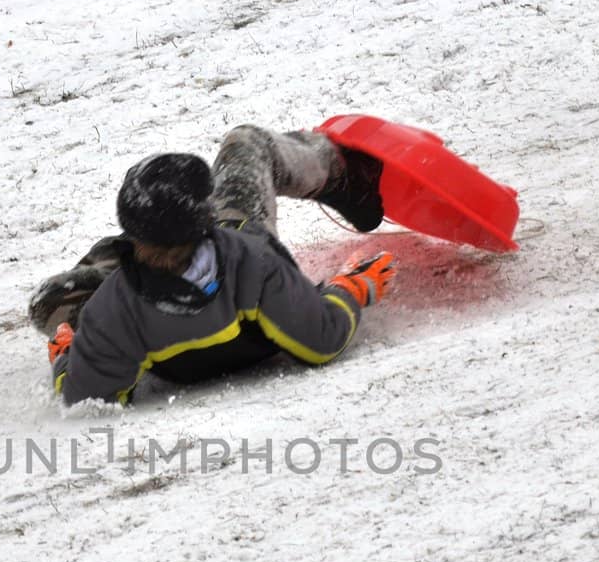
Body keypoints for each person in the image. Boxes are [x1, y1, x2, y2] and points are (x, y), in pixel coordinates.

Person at [29, 125, 397, 406]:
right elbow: (323, 339)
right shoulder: (252, 263)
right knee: (247, 142)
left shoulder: (112, 310)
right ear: (203, 216)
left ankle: (137, 258)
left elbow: (83, 397)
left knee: (51, 301)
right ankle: (343, 174)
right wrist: (350, 289)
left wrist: (68, 358)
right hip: (233, 260)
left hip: (143, 304)